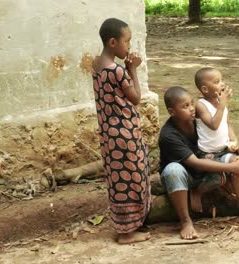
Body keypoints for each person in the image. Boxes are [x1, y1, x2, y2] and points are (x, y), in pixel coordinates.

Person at [158, 86, 239, 240]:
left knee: (234, 160)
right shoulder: (168, 135)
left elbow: (223, 134)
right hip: (184, 177)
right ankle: (185, 221)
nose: (191, 109)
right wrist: (232, 168)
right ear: (172, 112)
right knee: (173, 170)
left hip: (206, 171)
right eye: (185, 106)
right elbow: (195, 163)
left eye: (191, 103)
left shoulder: (199, 120)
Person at [91, 18, 151, 244]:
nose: (129, 46)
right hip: (125, 134)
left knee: (118, 179)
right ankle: (127, 232)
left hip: (108, 133)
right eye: (127, 42)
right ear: (113, 42)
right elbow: (135, 98)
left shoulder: (96, 64)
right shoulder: (116, 70)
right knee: (133, 177)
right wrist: (132, 69)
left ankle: (130, 225)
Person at [191, 67, 238, 213]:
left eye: (222, 80)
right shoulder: (201, 105)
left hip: (223, 150)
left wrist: (234, 142)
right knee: (216, 179)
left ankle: (228, 186)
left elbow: (226, 124)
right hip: (207, 154)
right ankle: (196, 192)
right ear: (205, 89)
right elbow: (213, 125)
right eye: (217, 82)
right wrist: (223, 104)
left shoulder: (220, 103)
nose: (222, 84)